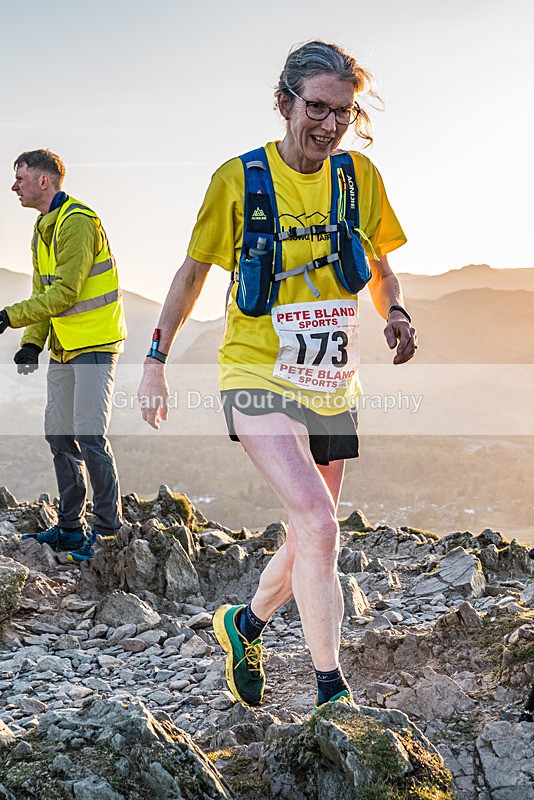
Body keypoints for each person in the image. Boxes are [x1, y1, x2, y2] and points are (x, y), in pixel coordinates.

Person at [137, 41, 417, 709]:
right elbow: (191, 274)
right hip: (255, 370)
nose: (329, 125)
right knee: (319, 522)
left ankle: (246, 624)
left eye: (344, 113)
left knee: (308, 528)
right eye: (317, 108)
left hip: (331, 380)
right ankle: (331, 692)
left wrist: (396, 311)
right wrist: (155, 360)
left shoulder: (359, 178)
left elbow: (380, 268)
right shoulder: (237, 180)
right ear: (285, 101)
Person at [1, 149, 126, 562]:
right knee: (59, 436)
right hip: (64, 346)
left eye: (20, 178)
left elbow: (66, 292)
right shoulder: (42, 228)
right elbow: (43, 292)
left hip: (95, 344)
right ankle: (71, 529)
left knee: (90, 436)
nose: (14, 186)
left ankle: (108, 533)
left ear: (44, 180)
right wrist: (31, 342)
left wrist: (9, 317)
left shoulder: (78, 222)